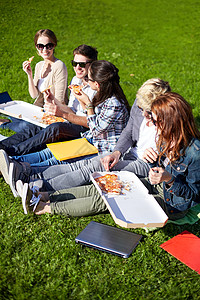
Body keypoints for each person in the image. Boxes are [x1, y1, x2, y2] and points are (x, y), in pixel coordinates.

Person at [17, 92, 200, 219]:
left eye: (154, 120)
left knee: (111, 197)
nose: (151, 124)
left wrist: (168, 179)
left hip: (173, 204)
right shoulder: (166, 137)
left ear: (170, 122)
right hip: (158, 185)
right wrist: (154, 161)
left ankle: (45, 207)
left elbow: (195, 195)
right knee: (102, 185)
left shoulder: (194, 152)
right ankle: (44, 195)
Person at [1, 78, 170, 196]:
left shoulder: (171, 119)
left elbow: (174, 156)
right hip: (119, 150)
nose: (143, 115)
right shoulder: (140, 104)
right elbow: (129, 130)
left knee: (90, 167)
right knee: (79, 163)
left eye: (148, 113)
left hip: (142, 163)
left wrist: (157, 156)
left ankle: (34, 185)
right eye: (141, 110)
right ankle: (26, 171)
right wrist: (117, 152)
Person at [11, 60, 130, 167]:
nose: (86, 81)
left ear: (97, 84)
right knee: (49, 152)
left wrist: (87, 102)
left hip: (101, 148)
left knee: (56, 160)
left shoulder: (114, 103)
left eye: (88, 79)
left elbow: (95, 129)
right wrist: (82, 100)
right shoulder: (103, 94)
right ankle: (13, 160)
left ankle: (20, 169)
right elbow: (90, 116)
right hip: (90, 139)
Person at [0, 44, 98, 156]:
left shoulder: (96, 87)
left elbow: (91, 123)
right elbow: (72, 110)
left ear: (93, 64)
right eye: (74, 64)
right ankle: (2, 146)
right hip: (71, 120)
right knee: (35, 126)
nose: (77, 68)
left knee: (54, 129)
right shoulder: (76, 80)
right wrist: (54, 100)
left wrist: (63, 114)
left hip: (85, 129)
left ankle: (10, 153)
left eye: (82, 64)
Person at [0, 29, 68, 132]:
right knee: (20, 114)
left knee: (26, 127)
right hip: (38, 109)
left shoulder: (59, 66)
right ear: (36, 47)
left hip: (53, 113)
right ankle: (12, 120)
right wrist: (29, 74)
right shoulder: (39, 65)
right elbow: (34, 95)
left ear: (54, 45)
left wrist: (48, 102)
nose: (44, 50)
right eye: (40, 46)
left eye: (48, 46)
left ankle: (4, 124)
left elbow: (60, 100)